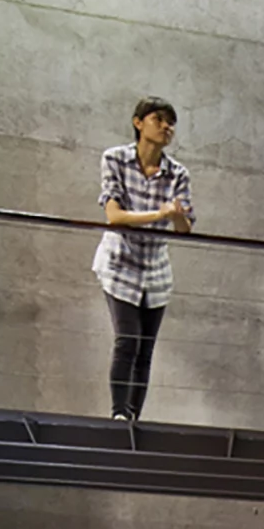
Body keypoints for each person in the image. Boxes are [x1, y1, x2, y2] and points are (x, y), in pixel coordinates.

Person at [92, 95, 195, 420]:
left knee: (145, 350)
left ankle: (134, 417)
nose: (166, 127)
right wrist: (160, 213)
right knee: (128, 340)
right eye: (159, 119)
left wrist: (176, 215)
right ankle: (119, 414)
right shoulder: (115, 159)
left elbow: (184, 228)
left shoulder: (177, 173)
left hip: (155, 270)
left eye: (171, 123)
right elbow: (114, 216)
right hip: (120, 263)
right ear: (139, 123)